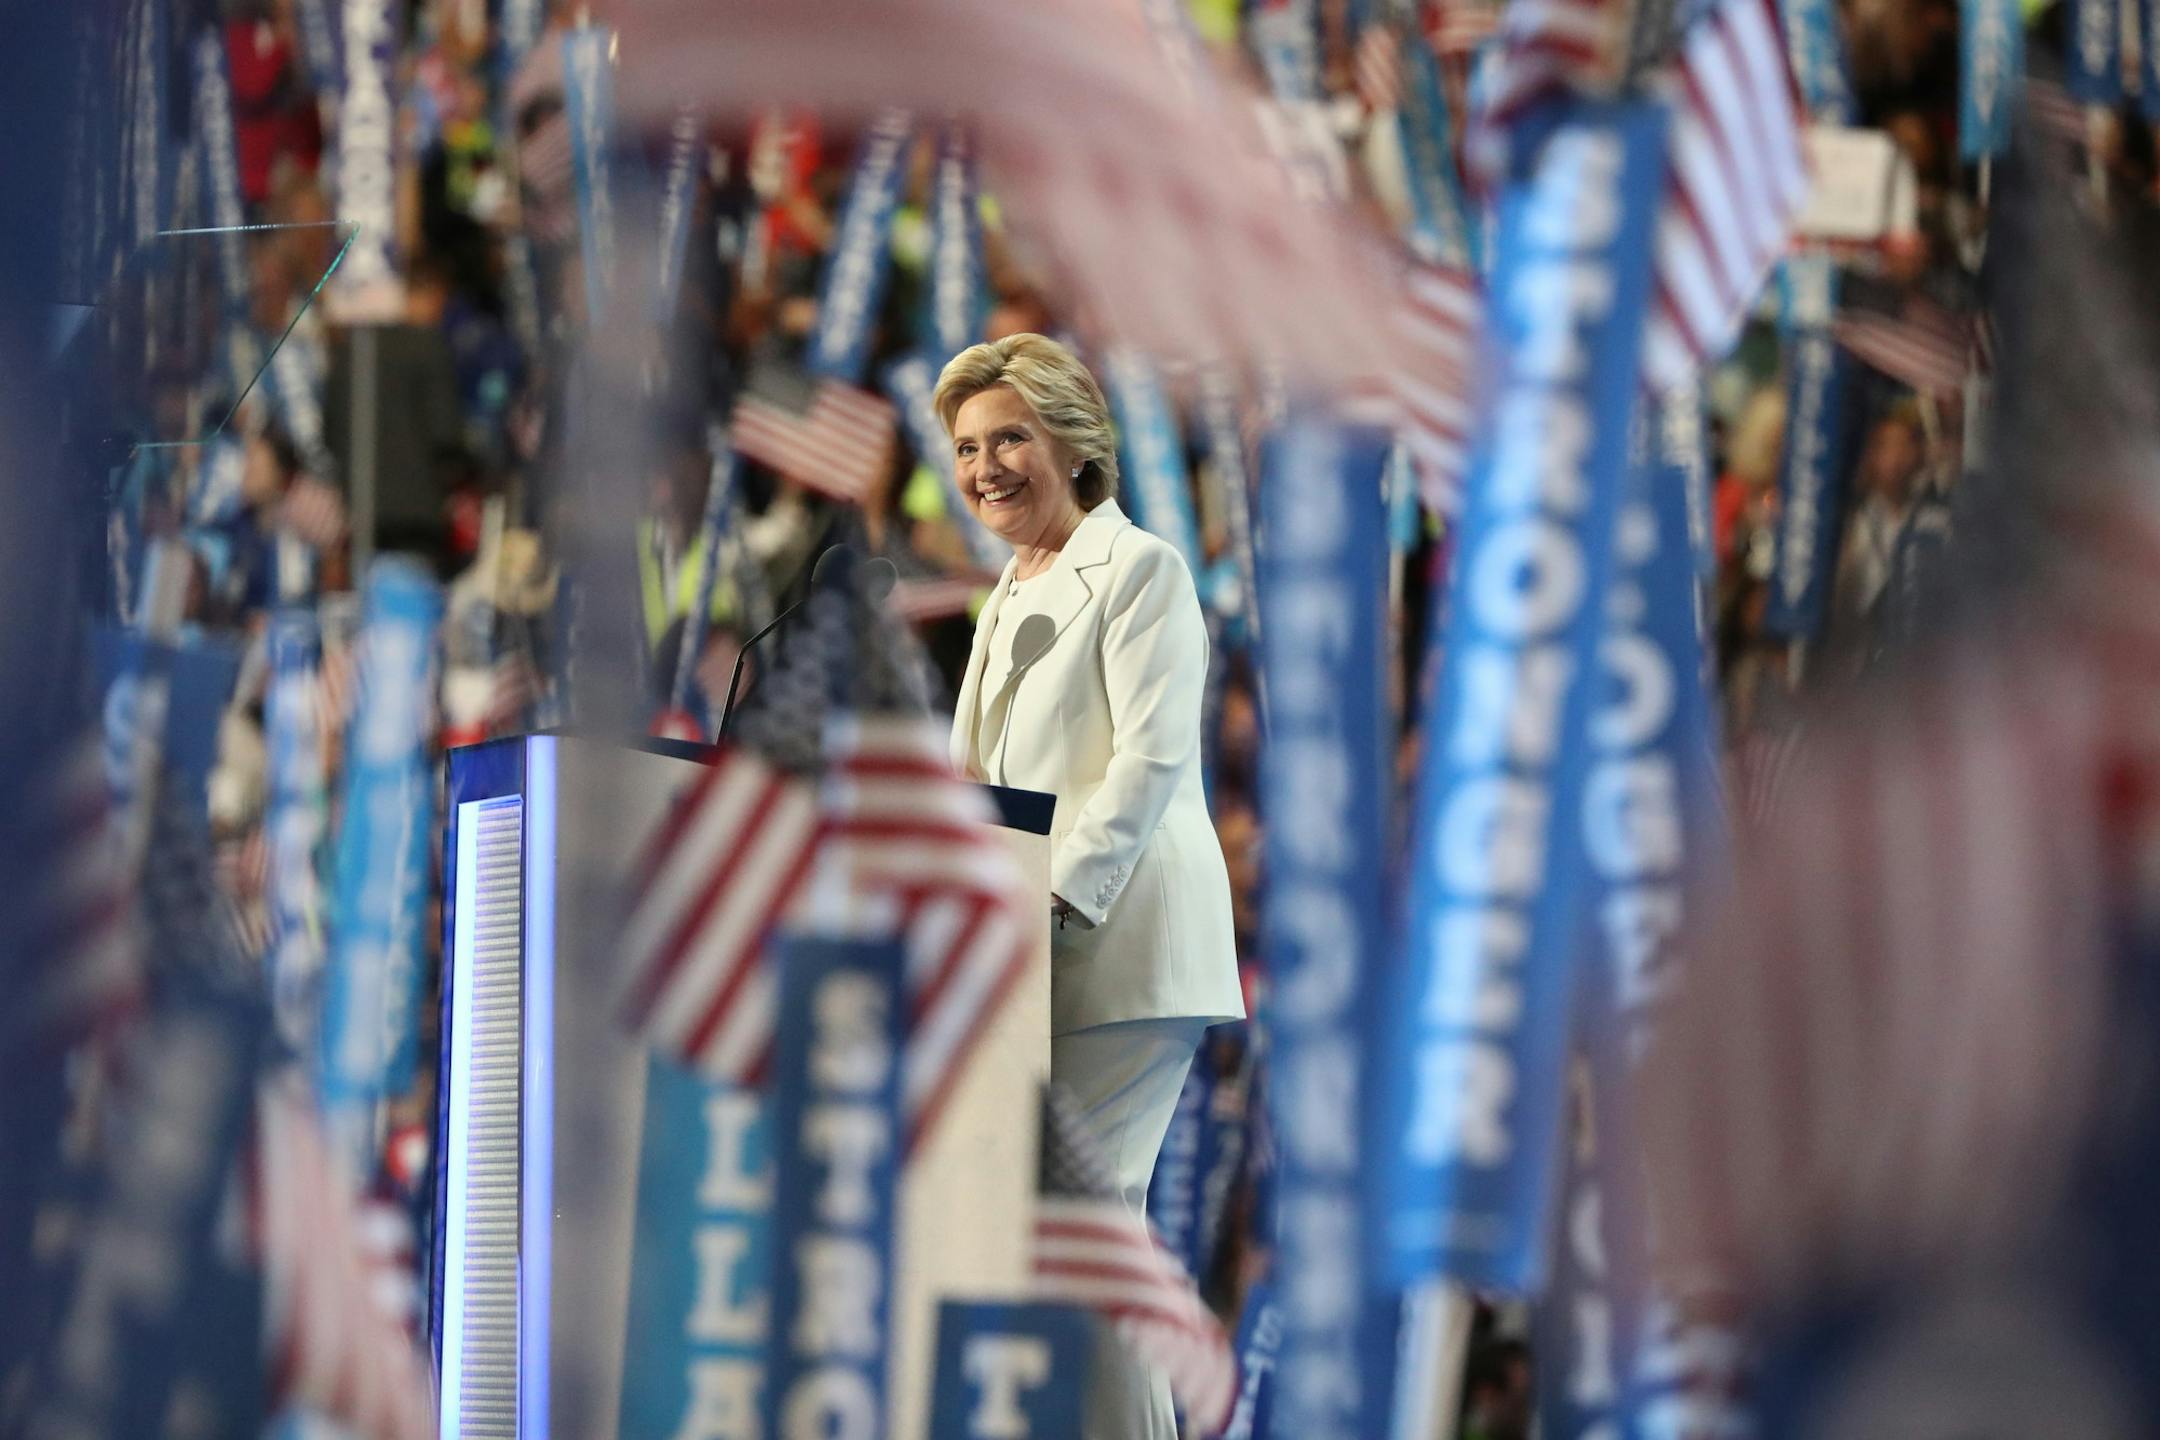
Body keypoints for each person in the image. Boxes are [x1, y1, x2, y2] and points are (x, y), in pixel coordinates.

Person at [933, 334, 1245, 1439]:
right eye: (968, 447)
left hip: (1120, 942)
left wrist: (1055, 902)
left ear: (1072, 441)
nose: (986, 467)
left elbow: (1149, 765)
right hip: (1032, 950)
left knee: (1083, 1220)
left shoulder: (1143, 570)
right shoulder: (1008, 595)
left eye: (1010, 436)